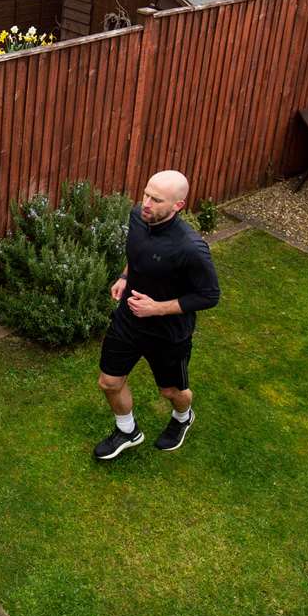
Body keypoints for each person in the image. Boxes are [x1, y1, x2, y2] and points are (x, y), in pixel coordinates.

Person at [93, 170, 221, 459]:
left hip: (168, 333)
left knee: (171, 392)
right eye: (146, 194)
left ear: (177, 205)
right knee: (109, 382)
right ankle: (127, 431)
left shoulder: (191, 248)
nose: (146, 203)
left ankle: (183, 417)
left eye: (156, 199)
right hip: (128, 320)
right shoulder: (139, 216)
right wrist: (125, 277)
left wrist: (157, 308)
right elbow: (136, 252)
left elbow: (209, 296)